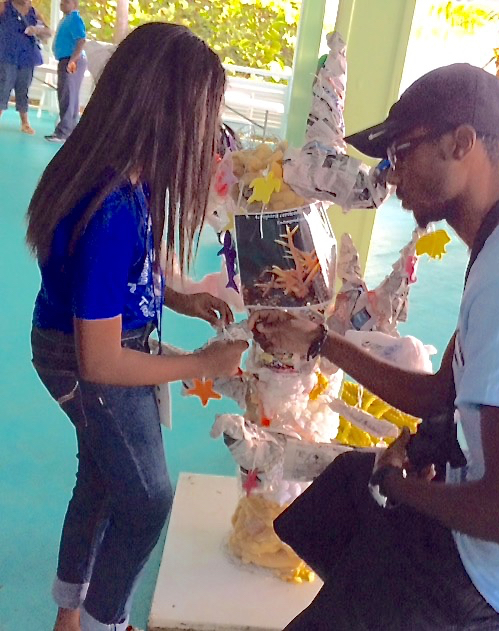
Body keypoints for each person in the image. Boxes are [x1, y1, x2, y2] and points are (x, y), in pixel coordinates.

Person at [249, 63, 499, 630]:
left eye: (400, 152)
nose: (391, 174)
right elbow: (440, 395)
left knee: (373, 517)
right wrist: (322, 341)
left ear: (461, 143)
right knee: (340, 500)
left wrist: (398, 485)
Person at [26, 23, 247, 631]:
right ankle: (104, 621)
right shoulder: (112, 210)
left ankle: (68, 615)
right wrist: (204, 363)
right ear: (170, 114)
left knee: (100, 474)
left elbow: (128, 278)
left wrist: (180, 297)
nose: (212, 132)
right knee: (147, 498)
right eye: (208, 115)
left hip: (82, 342)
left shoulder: (125, 176)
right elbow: (101, 361)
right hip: (91, 358)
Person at [0, 0, 51, 134]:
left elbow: (48, 32)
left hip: (27, 56)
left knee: (23, 88)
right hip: (7, 54)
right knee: (3, 86)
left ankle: (25, 122)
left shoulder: (33, 12)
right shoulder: (4, 7)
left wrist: (36, 30)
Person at [45, 0, 87, 143]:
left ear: (74, 4)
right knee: (68, 95)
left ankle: (64, 131)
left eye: (66, 2)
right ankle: (69, 129)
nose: (62, 4)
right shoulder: (67, 19)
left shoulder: (74, 19)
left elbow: (81, 40)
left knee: (67, 95)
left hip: (71, 60)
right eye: (62, 2)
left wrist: (72, 60)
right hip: (66, 59)